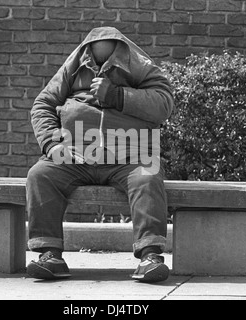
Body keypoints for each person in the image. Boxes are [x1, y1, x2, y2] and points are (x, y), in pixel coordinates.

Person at [26, 27, 175, 283]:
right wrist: (53, 144)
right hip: (76, 155)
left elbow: (163, 104)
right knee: (41, 174)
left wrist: (117, 95)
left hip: (131, 155)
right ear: (87, 53)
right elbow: (43, 104)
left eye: (107, 60)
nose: (99, 65)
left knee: (147, 176)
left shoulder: (140, 66)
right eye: (95, 60)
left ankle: (150, 257)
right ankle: (50, 255)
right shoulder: (72, 68)